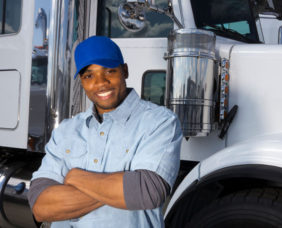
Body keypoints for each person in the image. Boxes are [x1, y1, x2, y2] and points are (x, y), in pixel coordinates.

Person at [28, 36, 182, 228]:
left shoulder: (160, 122)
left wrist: (75, 177)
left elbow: (147, 191)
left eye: (109, 71)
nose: (101, 83)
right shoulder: (66, 131)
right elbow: (41, 207)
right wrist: (122, 189)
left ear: (124, 71)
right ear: (82, 82)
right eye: (89, 76)